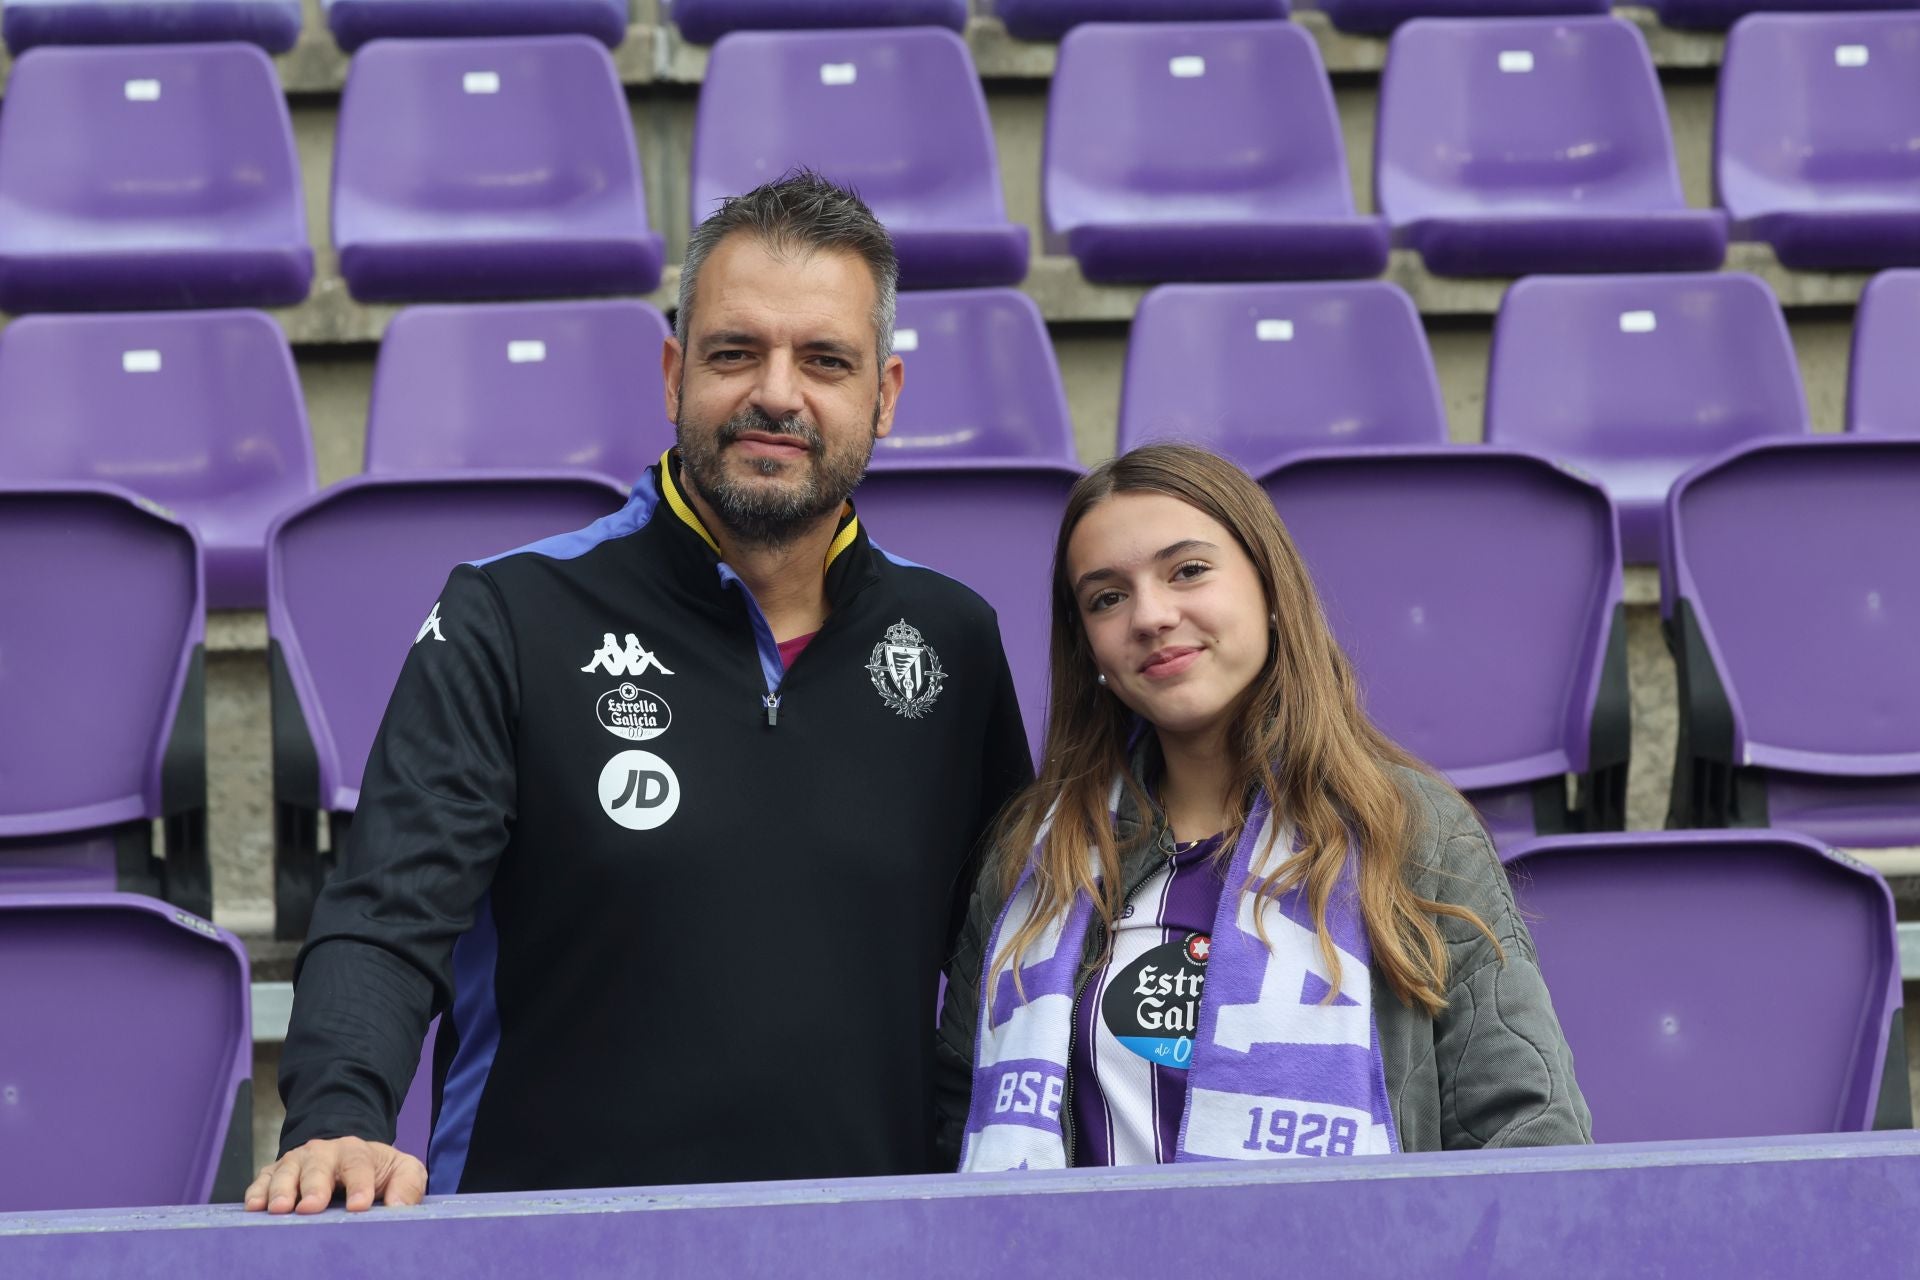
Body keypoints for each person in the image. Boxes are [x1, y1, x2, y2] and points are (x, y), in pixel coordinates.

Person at [248, 172, 1032, 1213]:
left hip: (864, 1247)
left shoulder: (954, 642)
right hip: (542, 1246)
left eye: (825, 360)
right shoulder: (510, 617)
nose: (778, 394)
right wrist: (339, 1119)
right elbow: (387, 916)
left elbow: (1008, 966)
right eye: (734, 352)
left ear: (885, 395)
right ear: (673, 373)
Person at [935, 444, 1589, 1169]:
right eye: (1107, 597)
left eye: (1188, 570)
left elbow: (1527, 1133)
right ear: (1088, 644)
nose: (1150, 616)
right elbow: (960, 1127)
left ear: (1270, 590)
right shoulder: (1033, 859)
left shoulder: (1410, 829)